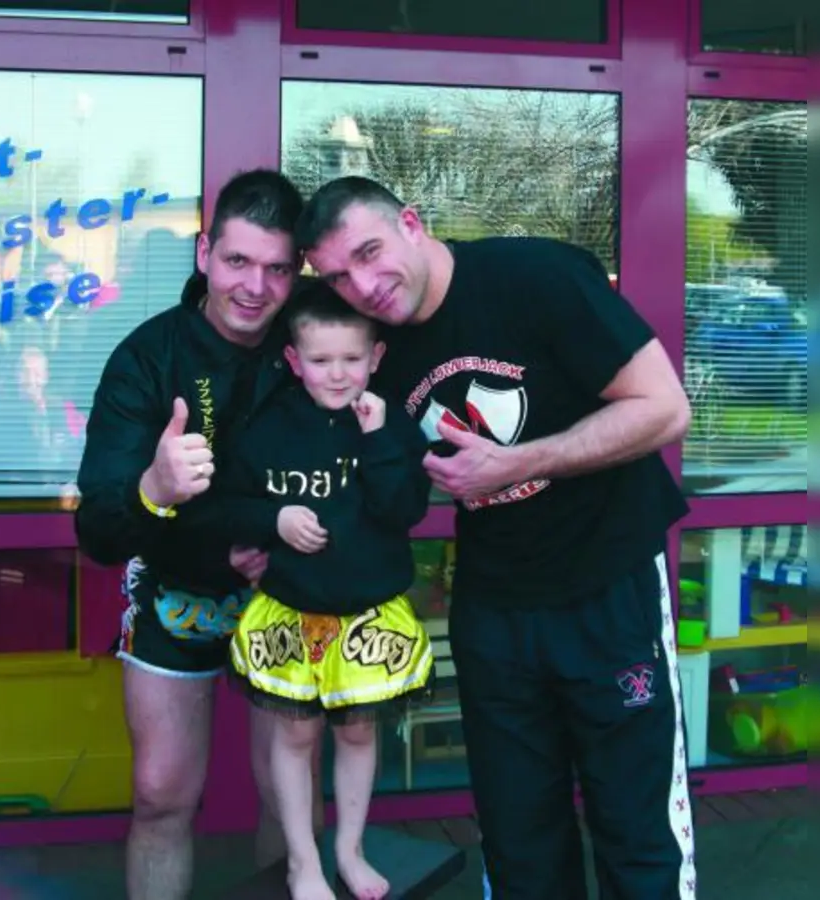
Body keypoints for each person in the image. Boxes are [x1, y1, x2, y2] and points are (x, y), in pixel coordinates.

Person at [296, 177, 697, 900]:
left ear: (411, 223)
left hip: (608, 587)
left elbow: (665, 409)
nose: (362, 285)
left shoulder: (533, 276)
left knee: (636, 832)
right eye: (337, 275)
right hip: (495, 609)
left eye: (369, 252)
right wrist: (262, 525)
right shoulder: (376, 344)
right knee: (518, 842)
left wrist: (521, 461)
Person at [74, 169, 318, 900]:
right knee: (160, 796)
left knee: (291, 799)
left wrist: (282, 545)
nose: (255, 286)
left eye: (277, 268)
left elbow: (365, 473)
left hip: (285, 595)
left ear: (297, 271)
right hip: (175, 594)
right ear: (205, 251)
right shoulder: (146, 358)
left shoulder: (318, 349)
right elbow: (97, 532)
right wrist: (154, 492)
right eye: (238, 261)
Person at [220, 286, 434, 900]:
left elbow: (404, 512)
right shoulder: (268, 428)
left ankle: (350, 847)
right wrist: (274, 520)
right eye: (320, 360)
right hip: (292, 609)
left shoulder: (391, 424)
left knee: (359, 733)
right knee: (295, 738)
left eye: (351, 359)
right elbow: (228, 503)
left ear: (376, 356)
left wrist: (378, 439)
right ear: (294, 360)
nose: (337, 374)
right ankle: (301, 860)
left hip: (368, 614)